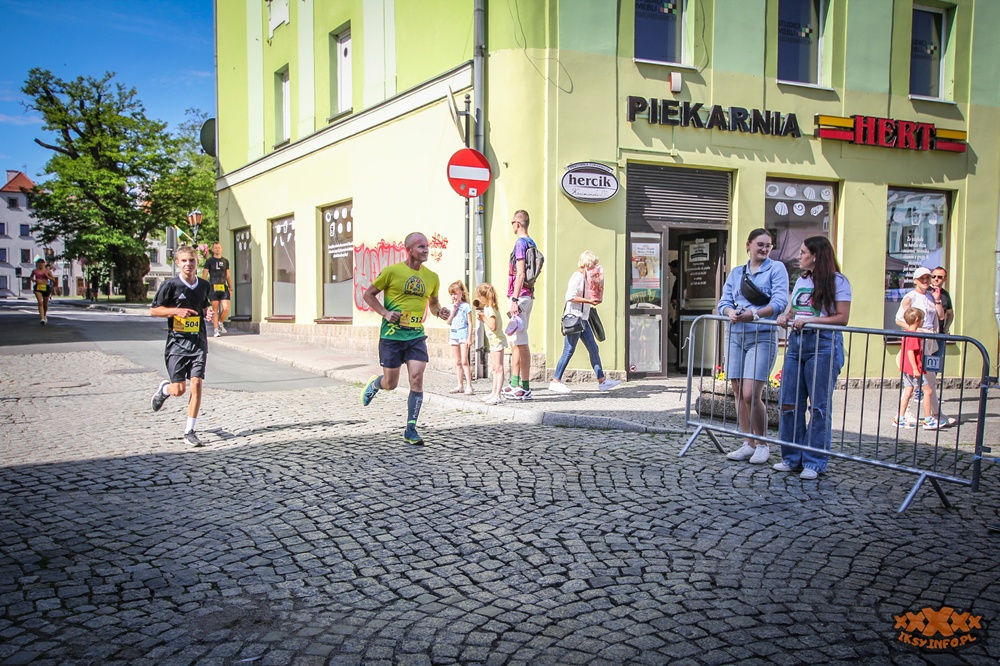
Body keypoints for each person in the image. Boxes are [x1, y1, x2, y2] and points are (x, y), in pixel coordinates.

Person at [360, 232, 450, 445]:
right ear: (408, 250)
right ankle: (376, 384)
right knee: (391, 383)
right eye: (421, 247)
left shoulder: (432, 277)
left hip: (415, 335)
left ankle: (411, 428)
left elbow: (433, 304)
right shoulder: (392, 272)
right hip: (391, 335)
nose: (426, 250)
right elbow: (368, 295)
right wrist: (385, 313)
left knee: (416, 378)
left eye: (427, 246)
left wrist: (439, 312)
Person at [774, 236, 851, 480]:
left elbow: (842, 317)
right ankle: (791, 457)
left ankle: (814, 461)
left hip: (823, 344)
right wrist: (786, 317)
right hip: (797, 343)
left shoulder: (838, 281)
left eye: (803, 252)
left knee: (818, 406)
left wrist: (812, 320)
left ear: (815, 256)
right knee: (789, 402)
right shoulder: (802, 280)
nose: (799, 256)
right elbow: (795, 310)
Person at [717, 229, 789, 466]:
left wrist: (754, 314)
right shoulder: (737, 273)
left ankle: (762, 444)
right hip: (735, 336)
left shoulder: (776, 269)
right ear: (748, 245)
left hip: (762, 336)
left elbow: (779, 302)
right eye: (760, 244)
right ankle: (747, 442)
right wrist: (730, 312)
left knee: (751, 393)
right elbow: (723, 302)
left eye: (768, 245)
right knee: (738, 391)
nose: (764, 249)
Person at [149, 245, 215, 447]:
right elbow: (154, 310)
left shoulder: (204, 285)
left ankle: (190, 431)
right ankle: (165, 390)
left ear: (197, 262)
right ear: (177, 263)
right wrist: (175, 312)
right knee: (179, 390)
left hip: (198, 342)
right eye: (184, 260)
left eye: (192, 260)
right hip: (177, 344)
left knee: (196, 383)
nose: (188, 264)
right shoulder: (170, 285)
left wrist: (208, 313)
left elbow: (204, 306)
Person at [549, 251, 621, 394]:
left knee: (593, 348)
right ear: (587, 264)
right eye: (593, 264)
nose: (595, 267)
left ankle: (602, 381)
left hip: (583, 318)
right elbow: (569, 297)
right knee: (568, 350)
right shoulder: (578, 277)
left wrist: (594, 298)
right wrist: (588, 301)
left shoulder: (587, 278)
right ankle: (555, 381)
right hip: (575, 318)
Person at [894, 266, 955, 429]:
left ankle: (935, 414)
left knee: (929, 379)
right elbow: (899, 319)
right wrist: (914, 331)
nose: (926, 281)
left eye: (928, 278)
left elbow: (940, 317)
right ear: (915, 280)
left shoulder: (931, 296)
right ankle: (905, 414)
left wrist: (937, 300)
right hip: (917, 341)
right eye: (922, 278)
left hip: (930, 341)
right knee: (916, 381)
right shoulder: (910, 297)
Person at [503, 209, 538, 400]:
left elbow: (521, 273)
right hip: (527, 295)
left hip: (520, 296)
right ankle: (515, 382)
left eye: (512, 223)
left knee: (521, 343)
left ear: (517, 224)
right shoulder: (531, 242)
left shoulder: (520, 243)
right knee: (516, 341)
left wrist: (514, 299)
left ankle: (525, 387)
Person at [895, 307, 935, 429]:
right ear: (917, 320)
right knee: (928, 391)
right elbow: (910, 352)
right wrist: (915, 368)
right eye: (923, 319)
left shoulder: (907, 333)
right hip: (914, 368)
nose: (923, 321)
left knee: (908, 392)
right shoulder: (913, 336)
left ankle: (900, 418)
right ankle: (928, 420)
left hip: (907, 368)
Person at [474, 282, 507, 405]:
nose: (478, 299)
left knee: (499, 368)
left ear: (484, 296)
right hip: (493, 341)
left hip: (497, 340)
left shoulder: (491, 309)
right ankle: (493, 392)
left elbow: (493, 326)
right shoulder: (488, 307)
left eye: (479, 296)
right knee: (494, 368)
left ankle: (498, 394)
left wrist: (483, 318)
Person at [446, 280, 475, 395]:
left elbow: (470, 323)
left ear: (461, 293)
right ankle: (460, 385)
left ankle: (469, 386)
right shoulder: (450, 307)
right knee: (458, 362)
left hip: (463, 335)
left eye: (455, 294)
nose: (453, 296)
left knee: (464, 361)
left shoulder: (466, 306)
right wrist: (453, 310)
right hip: (454, 336)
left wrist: (470, 338)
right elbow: (448, 322)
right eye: (451, 294)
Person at [202, 242, 232, 337]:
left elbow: (228, 275)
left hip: (223, 286)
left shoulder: (225, 261)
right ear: (213, 249)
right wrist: (202, 287)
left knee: (226, 308)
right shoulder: (209, 261)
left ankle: (220, 322)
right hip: (213, 287)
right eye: (215, 248)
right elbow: (204, 274)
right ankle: (215, 330)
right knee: (215, 309)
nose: (217, 249)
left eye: (219, 247)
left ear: (221, 249)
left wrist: (230, 287)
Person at [30, 258, 56, 325]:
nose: (41, 265)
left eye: (42, 263)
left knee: (45, 303)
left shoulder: (47, 271)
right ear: (37, 264)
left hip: (45, 287)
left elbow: (53, 280)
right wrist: (33, 280)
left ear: (44, 264)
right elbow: (31, 277)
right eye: (39, 263)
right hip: (38, 287)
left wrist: (47, 276)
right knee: (40, 302)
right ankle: (42, 318)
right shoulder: (35, 271)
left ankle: (44, 315)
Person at [668, 259, 681, 367]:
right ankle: (680, 357)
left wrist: (677, 301)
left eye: (672, 269)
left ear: (676, 268)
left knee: (672, 333)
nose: (671, 271)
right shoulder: (679, 279)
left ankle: (681, 355)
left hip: (680, 312)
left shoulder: (682, 279)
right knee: (673, 333)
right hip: (677, 311)